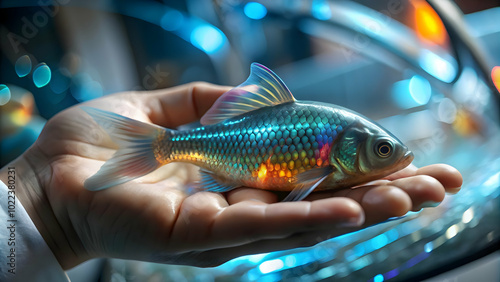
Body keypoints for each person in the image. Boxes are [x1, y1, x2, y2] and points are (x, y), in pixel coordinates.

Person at [0, 82, 463, 281]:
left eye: (384, 151)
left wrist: (45, 206)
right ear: (348, 148)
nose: (391, 157)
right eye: (382, 150)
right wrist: (42, 200)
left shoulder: (333, 152)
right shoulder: (326, 158)